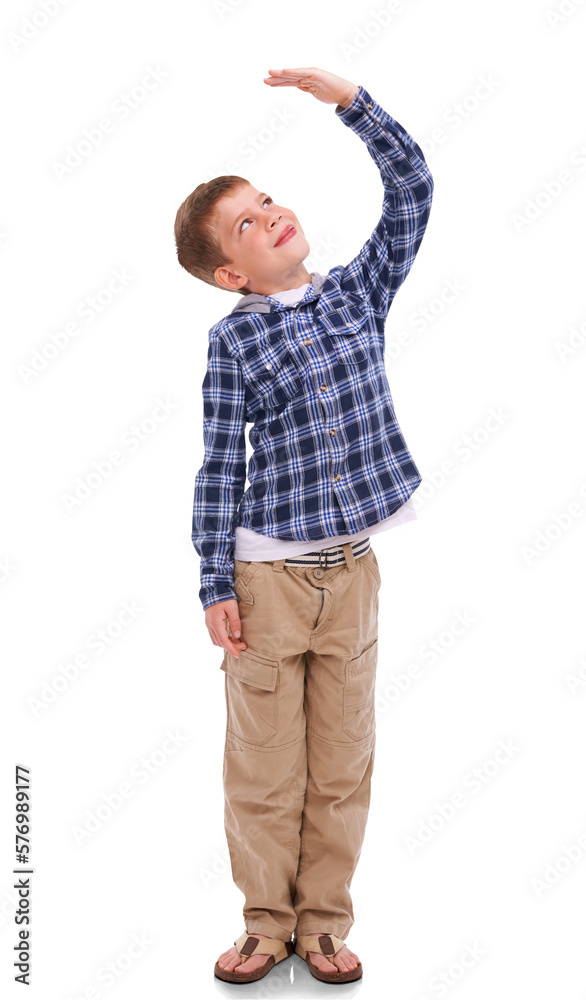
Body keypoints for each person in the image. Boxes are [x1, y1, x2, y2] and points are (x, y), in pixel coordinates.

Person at [174, 66, 434, 984]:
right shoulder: (235, 341)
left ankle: (323, 923)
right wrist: (215, 583)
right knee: (265, 767)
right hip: (267, 585)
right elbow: (218, 470)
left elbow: (412, 190)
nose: (271, 213)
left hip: (351, 576)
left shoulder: (357, 294)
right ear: (231, 273)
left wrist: (349, 101)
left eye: (268, 198)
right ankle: (263, 922)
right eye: (246, 222)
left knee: (342, 762)